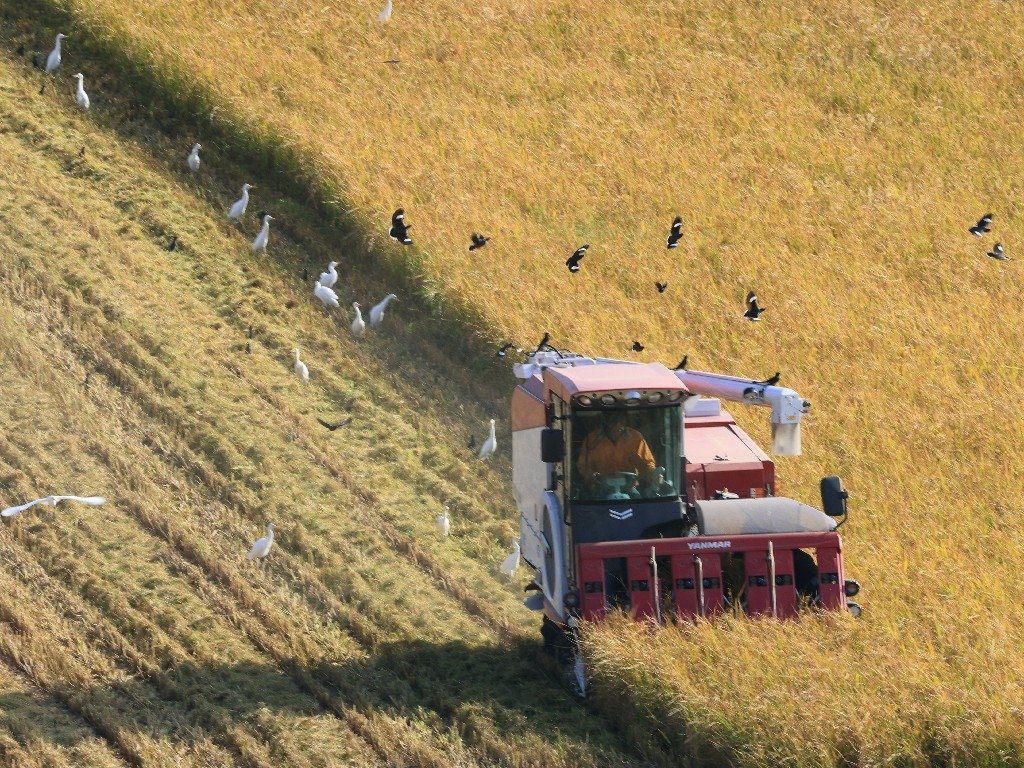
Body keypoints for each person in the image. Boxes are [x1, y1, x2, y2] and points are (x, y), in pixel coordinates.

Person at [577, 411, 656, 496]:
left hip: (629, 489)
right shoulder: (592, 439)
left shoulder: (636, 438)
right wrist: (591, 476)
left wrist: (652, 474)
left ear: (625, 420)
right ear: (604, 419)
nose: (617, 423)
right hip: (601, 490)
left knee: (640, 502)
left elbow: (649, 464)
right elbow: (582, 466)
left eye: (619, 419)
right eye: (612, 419)